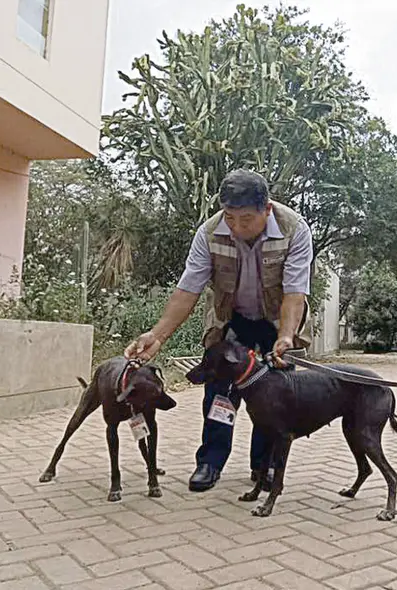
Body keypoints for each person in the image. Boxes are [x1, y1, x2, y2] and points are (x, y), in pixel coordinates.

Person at [124, 168, 314, 492]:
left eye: (246, 219)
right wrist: (157, 336)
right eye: (230, 217)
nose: (237, 227)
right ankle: (210, 462)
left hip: (276, 321)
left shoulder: (294, 229)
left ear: (266, 209)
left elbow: (295, 291)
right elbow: (188, 290)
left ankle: (264, 466)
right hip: (231, 320)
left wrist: (285, 336)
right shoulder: (209, 232)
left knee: (273, 396)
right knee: (219, 392)